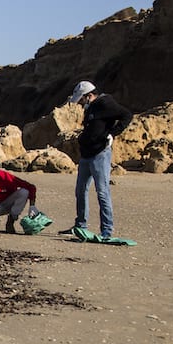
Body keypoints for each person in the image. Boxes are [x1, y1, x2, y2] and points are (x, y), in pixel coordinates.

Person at [66, 80, 133, 239]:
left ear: (89, 96)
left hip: (100, 154)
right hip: (86, 155)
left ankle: (107, 230)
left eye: (82, 100)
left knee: (102, 192)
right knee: (80, 190)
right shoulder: (90, 108)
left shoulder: (105, 103)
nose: (81, 104)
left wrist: (112, 134)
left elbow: (126, 115)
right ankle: (80, 225)